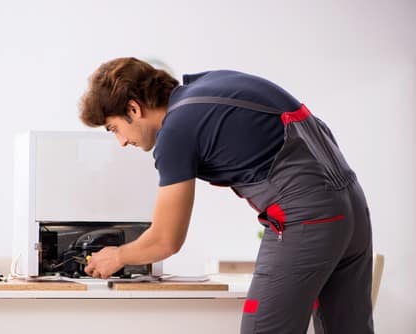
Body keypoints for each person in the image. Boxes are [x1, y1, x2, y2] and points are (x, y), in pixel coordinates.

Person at [78, 57, 374, 334]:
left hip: (307, 216)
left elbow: (166, 240)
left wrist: (118, 256)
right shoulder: (210, 86)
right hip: (352, 207)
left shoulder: (176, 131)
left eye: (114, 128)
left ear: (133, 109)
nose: (121, 142)